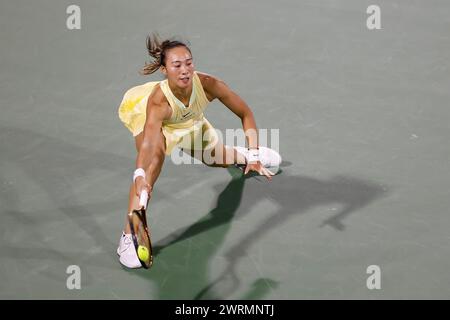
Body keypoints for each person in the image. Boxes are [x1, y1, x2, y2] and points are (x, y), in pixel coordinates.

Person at [116, 34, 281, 268]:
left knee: (218, 158)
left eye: (188, 63)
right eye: (176, 65)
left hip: (188, 121)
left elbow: (245, 113)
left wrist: (253, 155)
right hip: (153, 122)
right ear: (164, 69)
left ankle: (244, 157)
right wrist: (140, 175)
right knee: (153, 164)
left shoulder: (208, 84)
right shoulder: (158, 103)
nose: (185, 70)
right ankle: (128, 237)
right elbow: (149, 144)